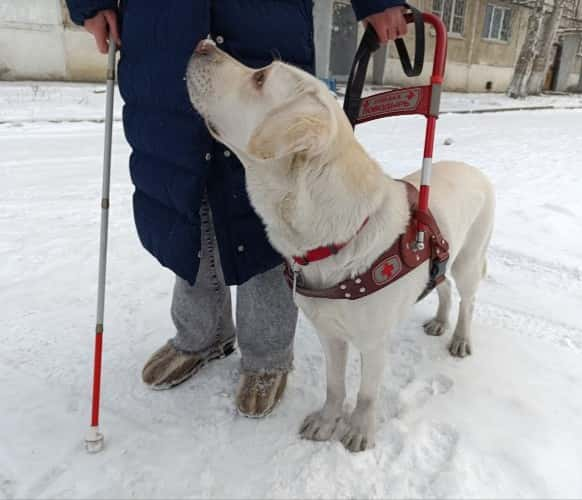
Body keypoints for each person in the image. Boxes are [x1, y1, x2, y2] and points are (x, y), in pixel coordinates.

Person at [66, 0, 407, 417]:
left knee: (273, 197)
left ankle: (268, 352)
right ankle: (202, 331)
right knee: (181, 189)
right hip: (161, 25)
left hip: (263, 22)